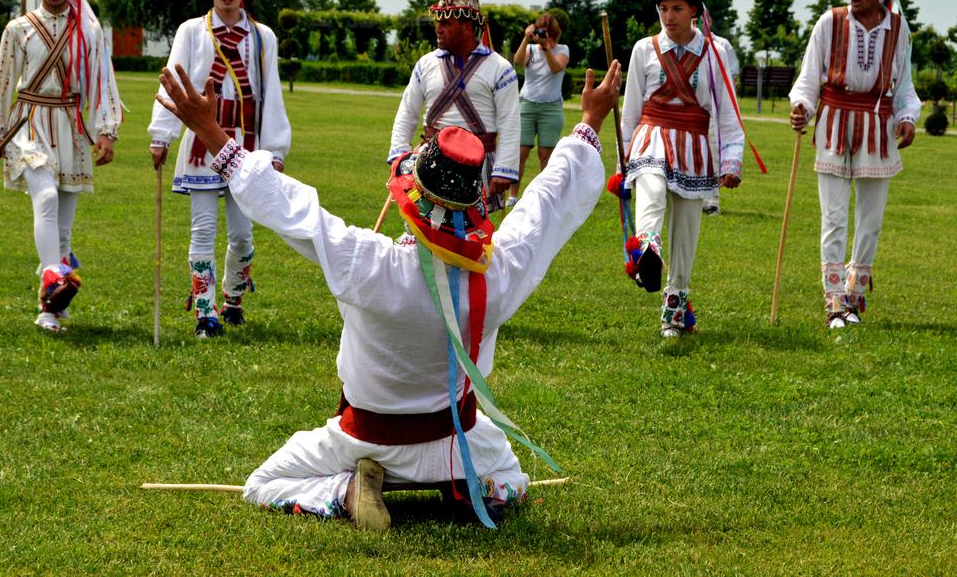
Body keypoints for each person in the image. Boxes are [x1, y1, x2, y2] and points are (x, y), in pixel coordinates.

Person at [156, 57, 622, 530]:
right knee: (511, 476)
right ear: (473, 206)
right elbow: (545, 205)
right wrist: (590, 120)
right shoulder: (498, 271)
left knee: (263, 483)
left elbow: (293, 210)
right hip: (454, 436)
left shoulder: (369, 261)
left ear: (411, 200)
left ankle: (345, 488)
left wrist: (212, 132)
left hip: (364, 440)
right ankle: (462, 484)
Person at [148, 0, 291, 339]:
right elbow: (172, 80)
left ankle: (233, 295)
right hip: (201, 142)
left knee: (243, 235)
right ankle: (204, 310)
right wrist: (161, 135)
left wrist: (275, 148)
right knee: (203, 230)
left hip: (245, 141)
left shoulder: (263, 36)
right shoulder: (191, 31)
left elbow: (270, 94)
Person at [0, 0, 123, 334]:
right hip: (29, 122)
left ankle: (50, 310)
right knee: (43, 197)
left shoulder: (89, 33)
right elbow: (3, 82)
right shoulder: (19, 29)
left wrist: (106, 131)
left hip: (71, 125)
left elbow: (102, 81)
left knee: (62, 228)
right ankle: (54, 280)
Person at [788, 0, 919, 329]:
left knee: (871, 219)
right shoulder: (829, 23)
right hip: (834, 125)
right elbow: (809, 77)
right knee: (833, 217)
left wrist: (908, 116)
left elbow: (904, 84)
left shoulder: (898, 28)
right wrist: (802, 107)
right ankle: (834, 302)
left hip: (877, 128)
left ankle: (855, 293)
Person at [614, 0, 744, 338]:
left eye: (677, 8)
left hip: (694, 145)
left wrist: (731, 160)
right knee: (651, 191)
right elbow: (631, 108)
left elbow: (728, 112)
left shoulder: (714, 53)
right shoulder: (644, 49)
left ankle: (673, 314)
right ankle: (648, 250)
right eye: (663, 8)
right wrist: (622, 162)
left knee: (686, 235)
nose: (669, 16)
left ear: (694, 13)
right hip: (651, 136)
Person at [388, 0, 519, 213]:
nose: (438, 29)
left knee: (471, 237)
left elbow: (510, 121)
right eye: (438, 22)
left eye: (446, 23)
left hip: (477, 167)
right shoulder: (425, 64)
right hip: (430, 162)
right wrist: (399, 154)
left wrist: (504, 169)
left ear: (467, 27)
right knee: (422, 228)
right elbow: (408, 110)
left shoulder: (500, 68)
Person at [508, 12, 570, 206]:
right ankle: (512, 196)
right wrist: (526, 39)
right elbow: (518, 61)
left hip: (551, 108)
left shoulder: (562, 49)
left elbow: (555, 68)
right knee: (520, 153)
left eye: (549, 35)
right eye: (543, 34)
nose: (546, 38)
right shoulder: (532, 49)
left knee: (546, 155)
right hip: (527, 104)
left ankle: (542, 196)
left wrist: (546, 49)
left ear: (555, 35)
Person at [702, 34, 740, 215]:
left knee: (713, 148)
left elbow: (731, 74)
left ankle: (713, 200)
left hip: (714, 104)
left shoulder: (719, 46)